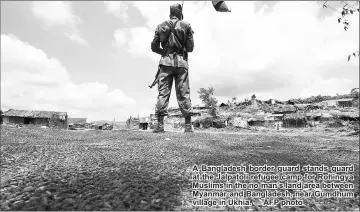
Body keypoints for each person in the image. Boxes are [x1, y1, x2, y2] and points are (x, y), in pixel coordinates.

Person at [151, 3, 195, 133]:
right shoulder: (186, 25)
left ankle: (159, 125)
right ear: (180, 13)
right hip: (181, 64)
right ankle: (187, 126)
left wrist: (165, 53)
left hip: (165, 63)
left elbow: (154, 47)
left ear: (170, 13)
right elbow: (191, 48)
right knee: (184, 92)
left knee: (163, 93)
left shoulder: (161, 26)